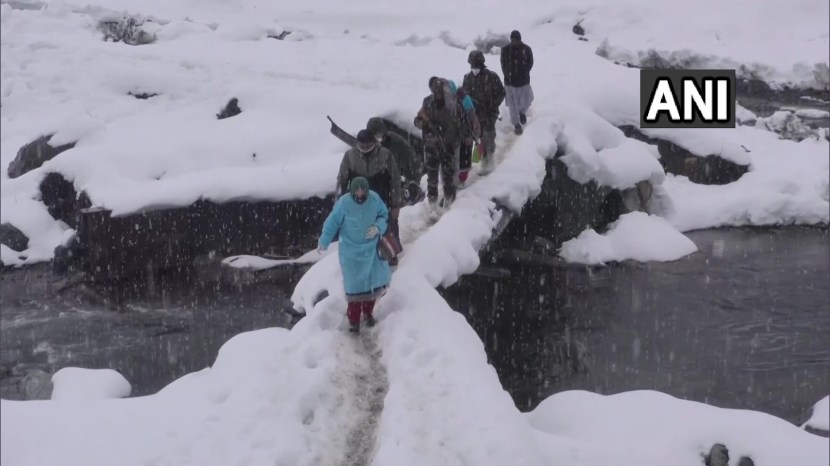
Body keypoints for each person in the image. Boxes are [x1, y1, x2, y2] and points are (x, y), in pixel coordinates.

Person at [317, 176, 391, 334]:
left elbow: (384, 215)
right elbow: (332, 223)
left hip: (371, 249)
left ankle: (368, 313)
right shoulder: (343, 203)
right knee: (354, 289)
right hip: (351, 252)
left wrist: (378, 227)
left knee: (371, 287)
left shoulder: (374, 199)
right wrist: (324, 241)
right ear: (352, 190)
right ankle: (354, 321)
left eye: (362, 189)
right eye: (356, 190)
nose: (359, 193)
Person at [337, 128, 402, 252]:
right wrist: (339, 204)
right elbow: (342, 181)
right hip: (358, 201)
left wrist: (396, 205)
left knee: (388, 230)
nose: (366, 148)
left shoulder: (385, 155)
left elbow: (395, 180)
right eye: (362, 146)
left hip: (382, 201)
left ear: (374, 143)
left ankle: (393, 256)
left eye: (369, 145)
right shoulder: (349, 156)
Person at [414, 77, 467, 213]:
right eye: (435, 91)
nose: (437, 93)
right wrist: (424, 122)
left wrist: (456, 139)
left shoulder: (451, 103)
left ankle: (448, 204)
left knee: (448, 177)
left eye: (439, 90)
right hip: (431, 147)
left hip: (447, 147)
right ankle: (433, 206)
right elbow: (417, 121)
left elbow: (459, 124)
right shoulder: (427, 103)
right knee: (432, 178)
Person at [462, 50, 505, 175]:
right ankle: (482, 159)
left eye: (476, 64)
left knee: (488, 136)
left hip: (489, 113)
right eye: (472, 64)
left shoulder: (491, 76)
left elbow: (501, 93)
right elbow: (465, 97)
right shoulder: (468, 78)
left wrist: (492, 106)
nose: (474, 67)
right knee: (479, 138)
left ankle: (489, 160)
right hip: (474, 114)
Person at [366, 117, 424, 205]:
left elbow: (414, 165)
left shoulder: (398, 144)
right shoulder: (365, 146)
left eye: (379, 135)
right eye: (374, 136)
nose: (378, 139)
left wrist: (413, 184)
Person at [500, 30, 534, 135]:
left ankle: (522, 111)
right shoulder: (505, 50)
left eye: (516, 40)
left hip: (523, 81)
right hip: (509, 82)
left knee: (525, 100)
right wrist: (507, 73)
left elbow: (530, 63)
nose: (514, 41)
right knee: (511, 104)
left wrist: (523, 73)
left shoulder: (526, 49)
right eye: (513, 39)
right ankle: (516, 124)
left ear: (520, 39)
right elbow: (503, 64)